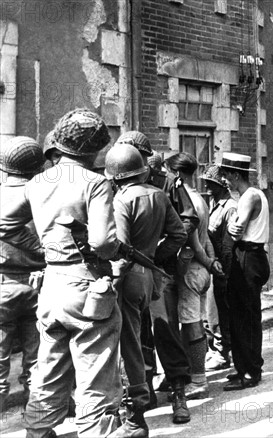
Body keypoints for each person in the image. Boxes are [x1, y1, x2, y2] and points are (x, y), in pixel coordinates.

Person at [0, 109, 123, 437]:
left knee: (48, 375)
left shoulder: (39, 181)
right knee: (95, 379)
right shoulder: (95, 183)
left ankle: (37, 432)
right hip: (87, 288)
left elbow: (5, 224)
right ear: (95, 149)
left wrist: (44, 252)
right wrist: (114, 246)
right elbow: (103, 243)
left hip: (51, 288)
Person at [114, 130, 197, 424]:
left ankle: (178, 391)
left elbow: (188, 220)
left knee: (164, 328)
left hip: (159, 270)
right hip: (130, 271)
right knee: (136, 334)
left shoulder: (168, 184)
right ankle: (143, 390)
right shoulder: (118, 184)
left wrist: (157, 256)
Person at [163, 153, 223, 400]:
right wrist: (211, 264)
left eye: (168, 172)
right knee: (189, 320)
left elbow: (195, 244)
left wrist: (207, 262)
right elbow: (207, 239)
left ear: (176, 174)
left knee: (190, 323)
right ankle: (185, 373)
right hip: (198, 269)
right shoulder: (200, 198)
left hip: (190, 269)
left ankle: (198, 379)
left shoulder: (187, 202)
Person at [0, 137, 46, 411]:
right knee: (38, 358)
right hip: (40, 282)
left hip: (3, 282)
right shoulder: (44, 194)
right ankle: (38, 418)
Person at [218, 152, 270, 391]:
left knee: (244, 317)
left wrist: (229, 224)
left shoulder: (249, 196)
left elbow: (236, 230)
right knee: (246, 315)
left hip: (248, 256)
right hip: (253, 256)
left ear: (236, 175)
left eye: (227, 176)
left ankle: (249, 372)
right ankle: (247, 365)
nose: (225, 181)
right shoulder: (256, 194)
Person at [200, 165, 238, 371]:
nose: (206, 187)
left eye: (211, 184)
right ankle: (215, 350)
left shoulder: (230, 207)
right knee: (210, 312)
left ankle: (223, 353)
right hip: (211, 265)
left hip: (222, 267)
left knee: (219, 312)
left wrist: (223, 271)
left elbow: (228, 243)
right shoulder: (213, 204)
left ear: (222, 185)